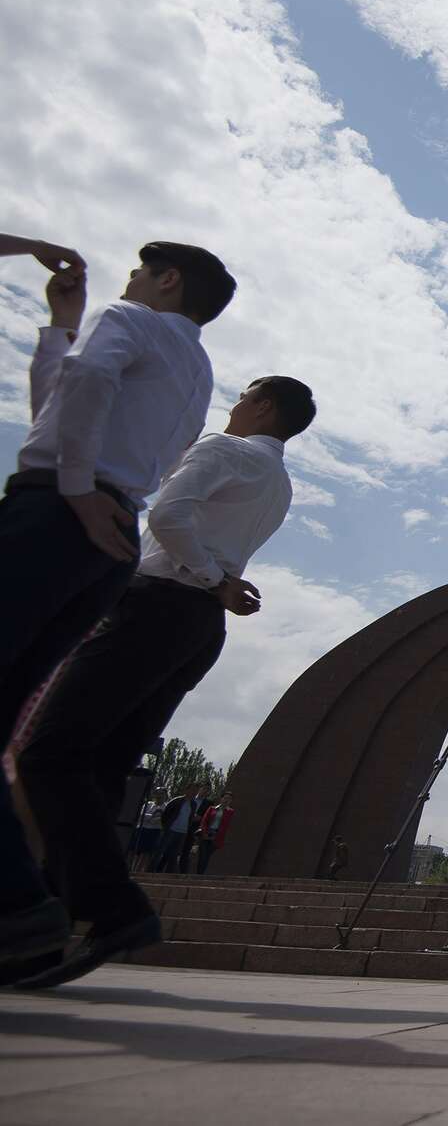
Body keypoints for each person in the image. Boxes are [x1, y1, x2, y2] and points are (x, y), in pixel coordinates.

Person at [13, 372, 310, 986]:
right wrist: (216, 582)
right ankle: (48, 930)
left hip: (158, 604)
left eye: (245, 394)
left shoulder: (223, 450)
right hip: (197, 626)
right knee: (98, 769)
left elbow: (171, 515)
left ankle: (107, 909)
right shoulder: (278, 482)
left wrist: (210, 577)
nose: (234, 403)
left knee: (49, 752)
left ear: (264, 405)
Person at [0, 243, 230, 965]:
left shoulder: (129, 316)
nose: (126, 282)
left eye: (138, 271)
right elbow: (63, 406)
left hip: (57, 514)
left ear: (166, 280)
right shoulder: (197, 371)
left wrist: (71, 486)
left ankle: (19, 907)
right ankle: (45, 910)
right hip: (112, 534)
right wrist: (59, 329)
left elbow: (84, 390)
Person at [154, 784, 204, 874]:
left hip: (182, 832)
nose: (194, 792)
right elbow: (165, 814)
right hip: (171, 830)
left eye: (196, 791)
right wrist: (166, 827)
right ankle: (151, 871)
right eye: (192, 790)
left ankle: (168, 874)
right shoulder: (177, 801)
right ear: (187, 790)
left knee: (174, 855)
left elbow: (190, 817)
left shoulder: (193, 804)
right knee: (160, 852)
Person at [194, 793, 234, 875]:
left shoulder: (230, 812)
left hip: (216, 837)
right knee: (203, 856)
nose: (226, 800)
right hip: (206, 834)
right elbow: (204, 821)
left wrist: (218, 836)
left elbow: (226, 825)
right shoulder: (212, 809)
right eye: (225, 798)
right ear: (221, 799)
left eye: (229, 799)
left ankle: (200, 874)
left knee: (207, 856)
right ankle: (199, 874)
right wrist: (204, 833)